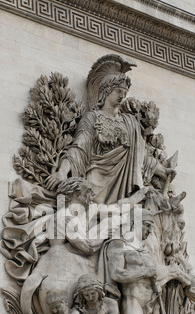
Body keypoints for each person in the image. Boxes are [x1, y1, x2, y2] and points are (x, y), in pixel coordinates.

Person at [46, 55, 174, 205]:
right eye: (118, 91)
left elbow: (141, 157)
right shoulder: (92, 117)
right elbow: (79, 148)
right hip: (95, 181)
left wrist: (163, 172)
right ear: (107, 91)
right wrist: (62, 171)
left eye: (125, 93)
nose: (123, 96)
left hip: (123, 185)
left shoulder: (130, 122)